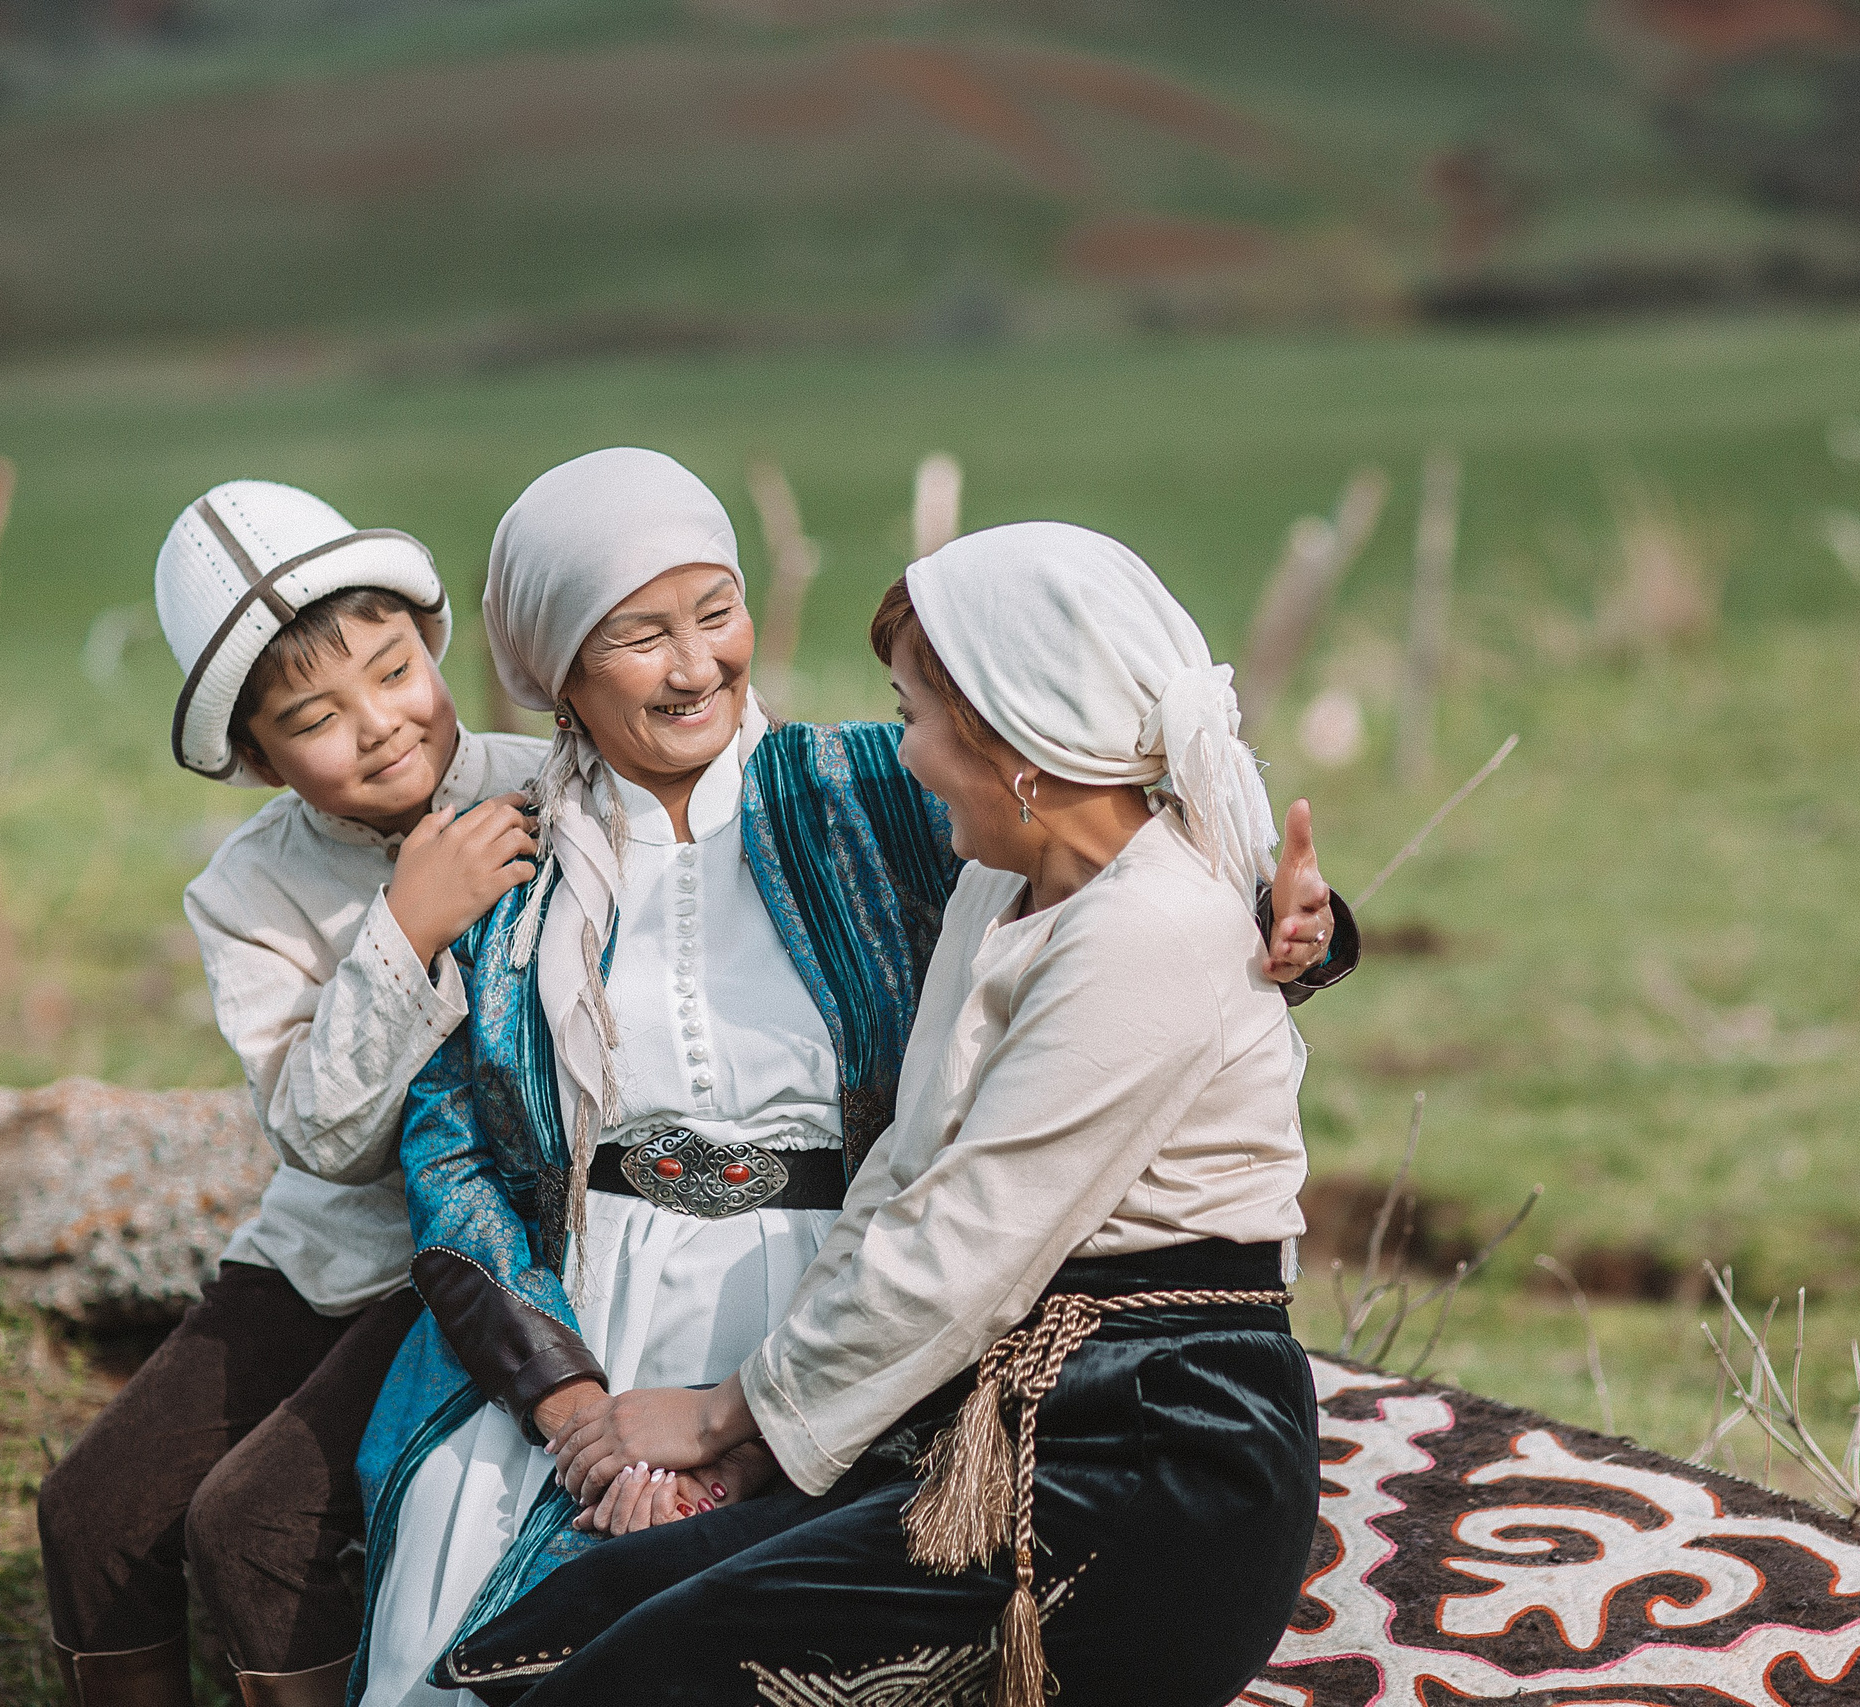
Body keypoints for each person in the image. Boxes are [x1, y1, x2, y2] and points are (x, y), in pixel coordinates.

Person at [351, 456, 1353, 1707]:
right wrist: (570, 1399)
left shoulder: (864, 791)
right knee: (523, 1628)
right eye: (638, 636)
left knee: (644, 1663)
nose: (696, 665)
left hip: (1011, 1366)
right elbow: (916, 1159)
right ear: (559, 668)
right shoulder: (503, 860)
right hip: (644, 1305)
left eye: (714, 613)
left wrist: (731, 1419)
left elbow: (1145, 863)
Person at [37, 481, 545, 1707]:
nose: (378, 724)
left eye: (391, 668)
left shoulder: (551, 795)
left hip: (476, 1249)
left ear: (432, 646)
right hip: (324, 1248)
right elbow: (324, 1138)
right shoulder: (247, 891)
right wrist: (403, 934)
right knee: (90, 1513)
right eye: (316, 715)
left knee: (253, 1522)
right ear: (255, 755)